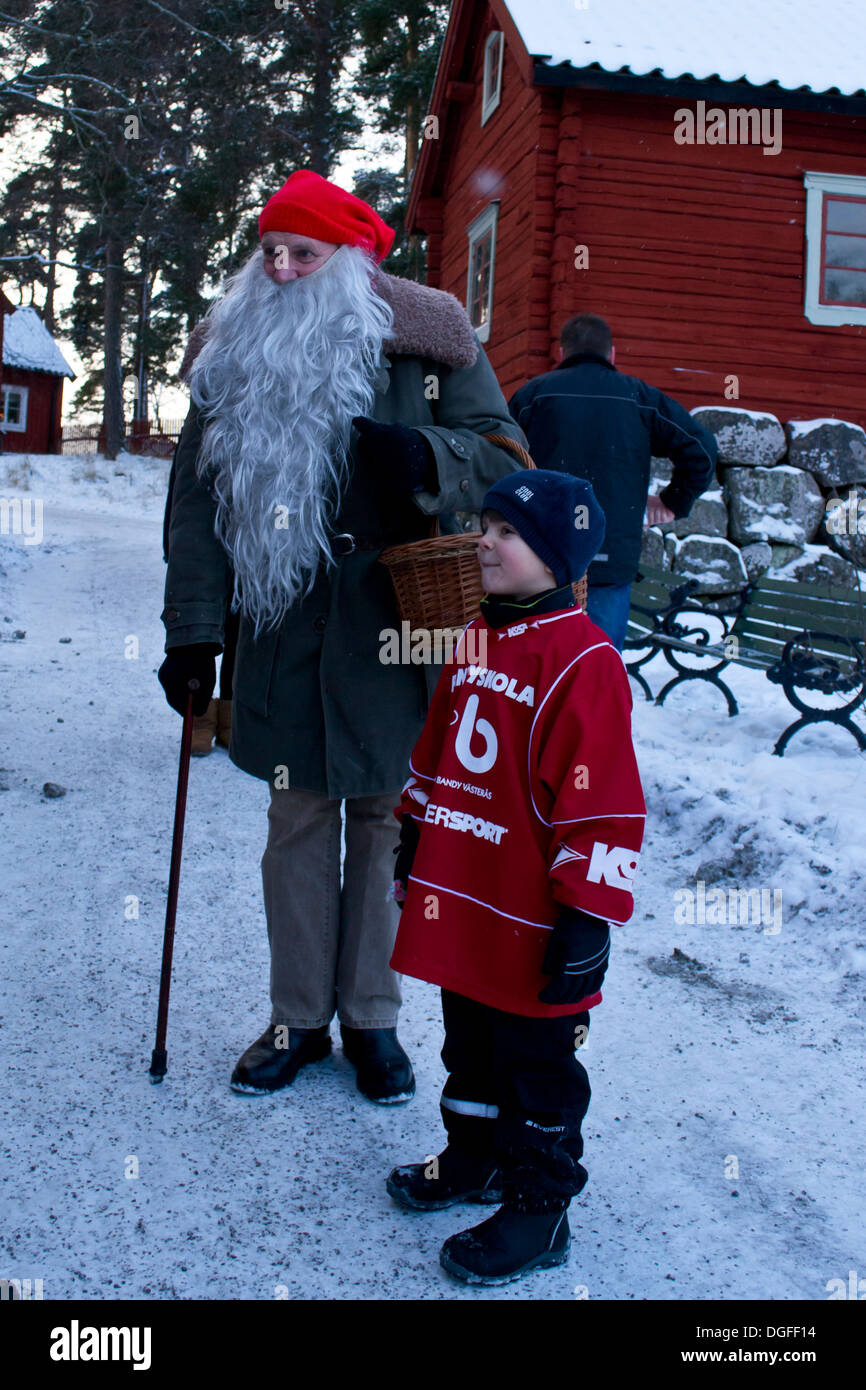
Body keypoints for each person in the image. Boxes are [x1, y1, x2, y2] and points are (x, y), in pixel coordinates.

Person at [156, 169, 526, 1104]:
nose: (280, 269)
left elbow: (506, 452)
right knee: (298, 819)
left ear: (348, 259)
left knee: (381, 818)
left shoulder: (428, 334)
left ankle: (372, 1019)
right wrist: (194, 634)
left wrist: (430, 454)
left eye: (302, 254)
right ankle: (295, 1019)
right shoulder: (230, 347)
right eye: (268, 252)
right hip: (279, 632)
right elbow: (196, 507)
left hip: (394, 629)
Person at [384, 468, 646, 1285]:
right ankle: (475, 1158)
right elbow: (437, 755)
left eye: (507, 533)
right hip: (463, 901)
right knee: (470, 1044)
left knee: (538, 1063)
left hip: (534, 920)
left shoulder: (584, 661)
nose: (485, 542)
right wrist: (413, 835)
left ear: (556, 555)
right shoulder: (476, 636)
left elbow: (603, 802)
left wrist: (587, 917)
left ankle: (542, 1206)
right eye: (486, 525)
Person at [507, 313, 718, 651]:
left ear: (563, 353)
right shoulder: (638, 398)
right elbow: (703, 449)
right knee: (599, 669)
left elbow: (499, 456)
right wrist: (673, 501)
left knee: (533, 669)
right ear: (612, 354)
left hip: (540, 557)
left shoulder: (533, 395)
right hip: (607, 558)